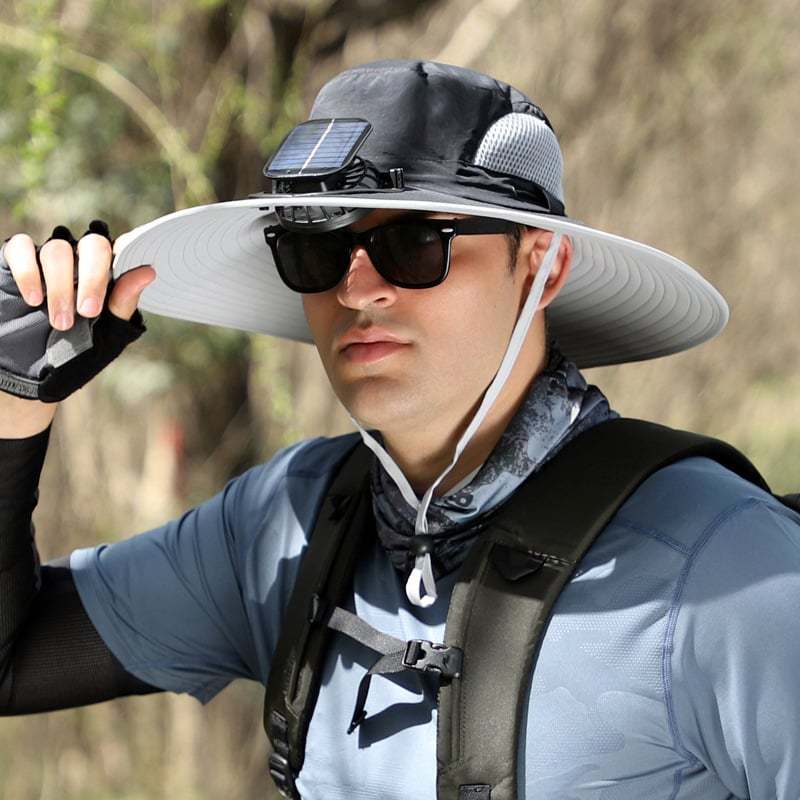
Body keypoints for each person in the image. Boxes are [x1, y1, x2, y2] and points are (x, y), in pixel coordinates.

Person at [1, 59, 799, 800]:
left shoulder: (725, 565)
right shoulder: (285, 525)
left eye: (414, 243)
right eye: (317, 249)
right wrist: (12, 413)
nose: (356, 290)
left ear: (541, 265)